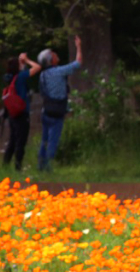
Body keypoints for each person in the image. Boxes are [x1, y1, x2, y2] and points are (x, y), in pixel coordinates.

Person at [36, 35, 82, 172]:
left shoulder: (42, 75)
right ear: (51, 60)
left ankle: (40, 164)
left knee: (44, 138)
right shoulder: (60, 71)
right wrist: (78, 46)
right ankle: (48, 166)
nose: (57, 56)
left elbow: (42, 91)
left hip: (46, 110)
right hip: (58, 111)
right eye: (54, 55)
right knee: (53, 140)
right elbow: (78, 62)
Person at [2, 53, 41, 172]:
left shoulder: (9, 78)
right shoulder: (21, 77)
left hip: (12, 113)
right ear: (17, 66)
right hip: (22, 113)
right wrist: (28, 60)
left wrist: (21, 64)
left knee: (12, 140)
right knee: (21, 141)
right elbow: (37, 67)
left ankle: (5, 165)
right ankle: (18, 167)